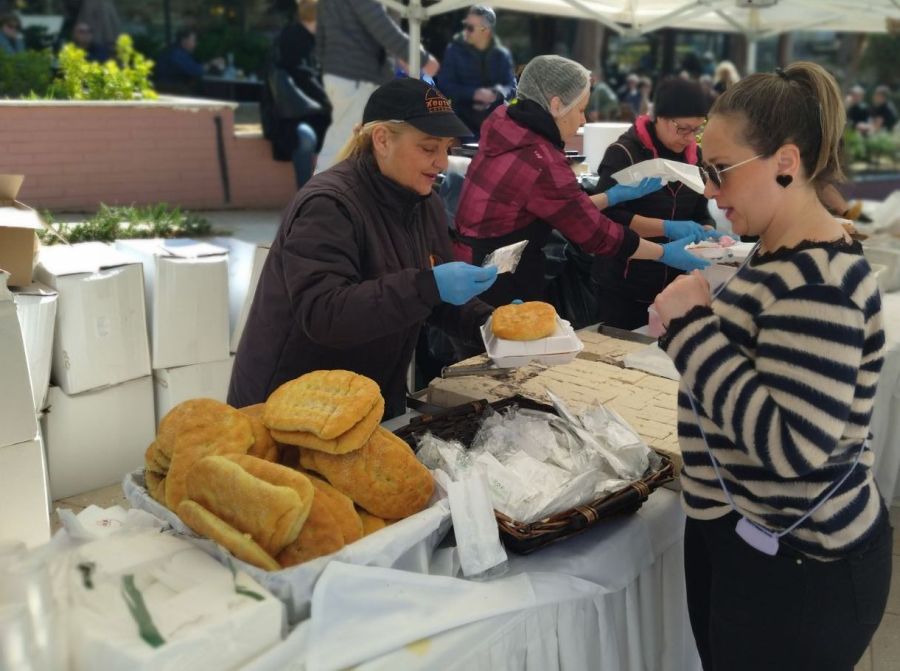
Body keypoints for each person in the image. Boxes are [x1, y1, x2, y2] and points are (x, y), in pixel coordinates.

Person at [653, 61, 892, 671]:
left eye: (719, 170)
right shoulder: (778, 252)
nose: (709, 190)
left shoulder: (819, 282)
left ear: (786, 161)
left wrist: (690, 332)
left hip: (799, 565)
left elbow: (793, 450)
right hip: (752, 540)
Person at [229, 78, 495, 420]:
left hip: (365, 402)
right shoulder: (328, 204)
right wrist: (427, 284)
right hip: (290, 408)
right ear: (382, 139)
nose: (442, 162)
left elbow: (433, 299)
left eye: (447, 148)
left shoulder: (422, 201)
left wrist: (488, 322)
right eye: (429, 148)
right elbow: (325, 314)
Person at [453, 55, 712, 307]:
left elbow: (560, 206)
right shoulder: (539, 157)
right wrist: (664, 253)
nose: (583, 119)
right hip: (497, 278)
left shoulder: (509, 128)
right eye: (580, 109)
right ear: (556, 105)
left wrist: (611, 196)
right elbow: (594, 233)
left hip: (474, 267)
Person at [593, 76, 718, 329]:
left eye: (697, 129)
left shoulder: (695, 158)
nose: (689, 137)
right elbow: (607, 219)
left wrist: (707, 230)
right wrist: (667, 228)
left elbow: (699, 211)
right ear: (659, 117)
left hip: (674, 287)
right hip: (624, 285)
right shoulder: (624, 153)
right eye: (683, 128)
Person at [315, 0, 440, 173]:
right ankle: (318, 196)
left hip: (341, 75)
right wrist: (421, 58)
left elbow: (321, 38)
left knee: (348, 143)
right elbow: (380, 26)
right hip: (357, 76)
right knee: (342, 145)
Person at [262, 0, 331, 189]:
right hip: (290, 116)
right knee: (305, 138)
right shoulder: (292, 37)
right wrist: (329, 100)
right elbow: (303, 76)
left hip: (315, 112)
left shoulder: (315, 39)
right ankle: (306, 197)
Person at [434, 5, 516, 139]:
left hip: (495, 127)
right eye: (466, 25)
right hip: (462, 127)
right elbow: (444, 85)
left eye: (470, 28)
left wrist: (497, 93)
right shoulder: (454, 51)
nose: (466, 31)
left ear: (486, 30)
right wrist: (474, 94)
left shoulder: (502, 54)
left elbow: (512, 87)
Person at [154, 28, 224, 94]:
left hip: (170, 90)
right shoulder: (177, 54)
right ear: (184, 41)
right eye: (194, 40)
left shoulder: (176, 52)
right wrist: (212, 63)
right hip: (174, 91)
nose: (196, 44)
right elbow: (196, 70)